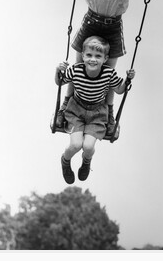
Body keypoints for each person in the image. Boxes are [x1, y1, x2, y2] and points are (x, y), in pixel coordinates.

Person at [59, 0, 160, 136]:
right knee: (79, 67)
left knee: (108, 74)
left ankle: (109, 114)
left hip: (114, 25)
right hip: (92, 22)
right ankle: (65, 107)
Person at [55, 36, 135, 184]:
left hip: (97, 114)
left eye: (98, 56)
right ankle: (65, 161)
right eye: (89, 55)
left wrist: (128, 80)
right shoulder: (75, 70)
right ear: (83, 56)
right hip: (76, 110)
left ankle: (86, 162)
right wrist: (58, 70)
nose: (93, 59)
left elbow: (119, 90)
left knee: (88, 146)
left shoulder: (108, 74)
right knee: (75, 145)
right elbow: (59, 82)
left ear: (105, 59)